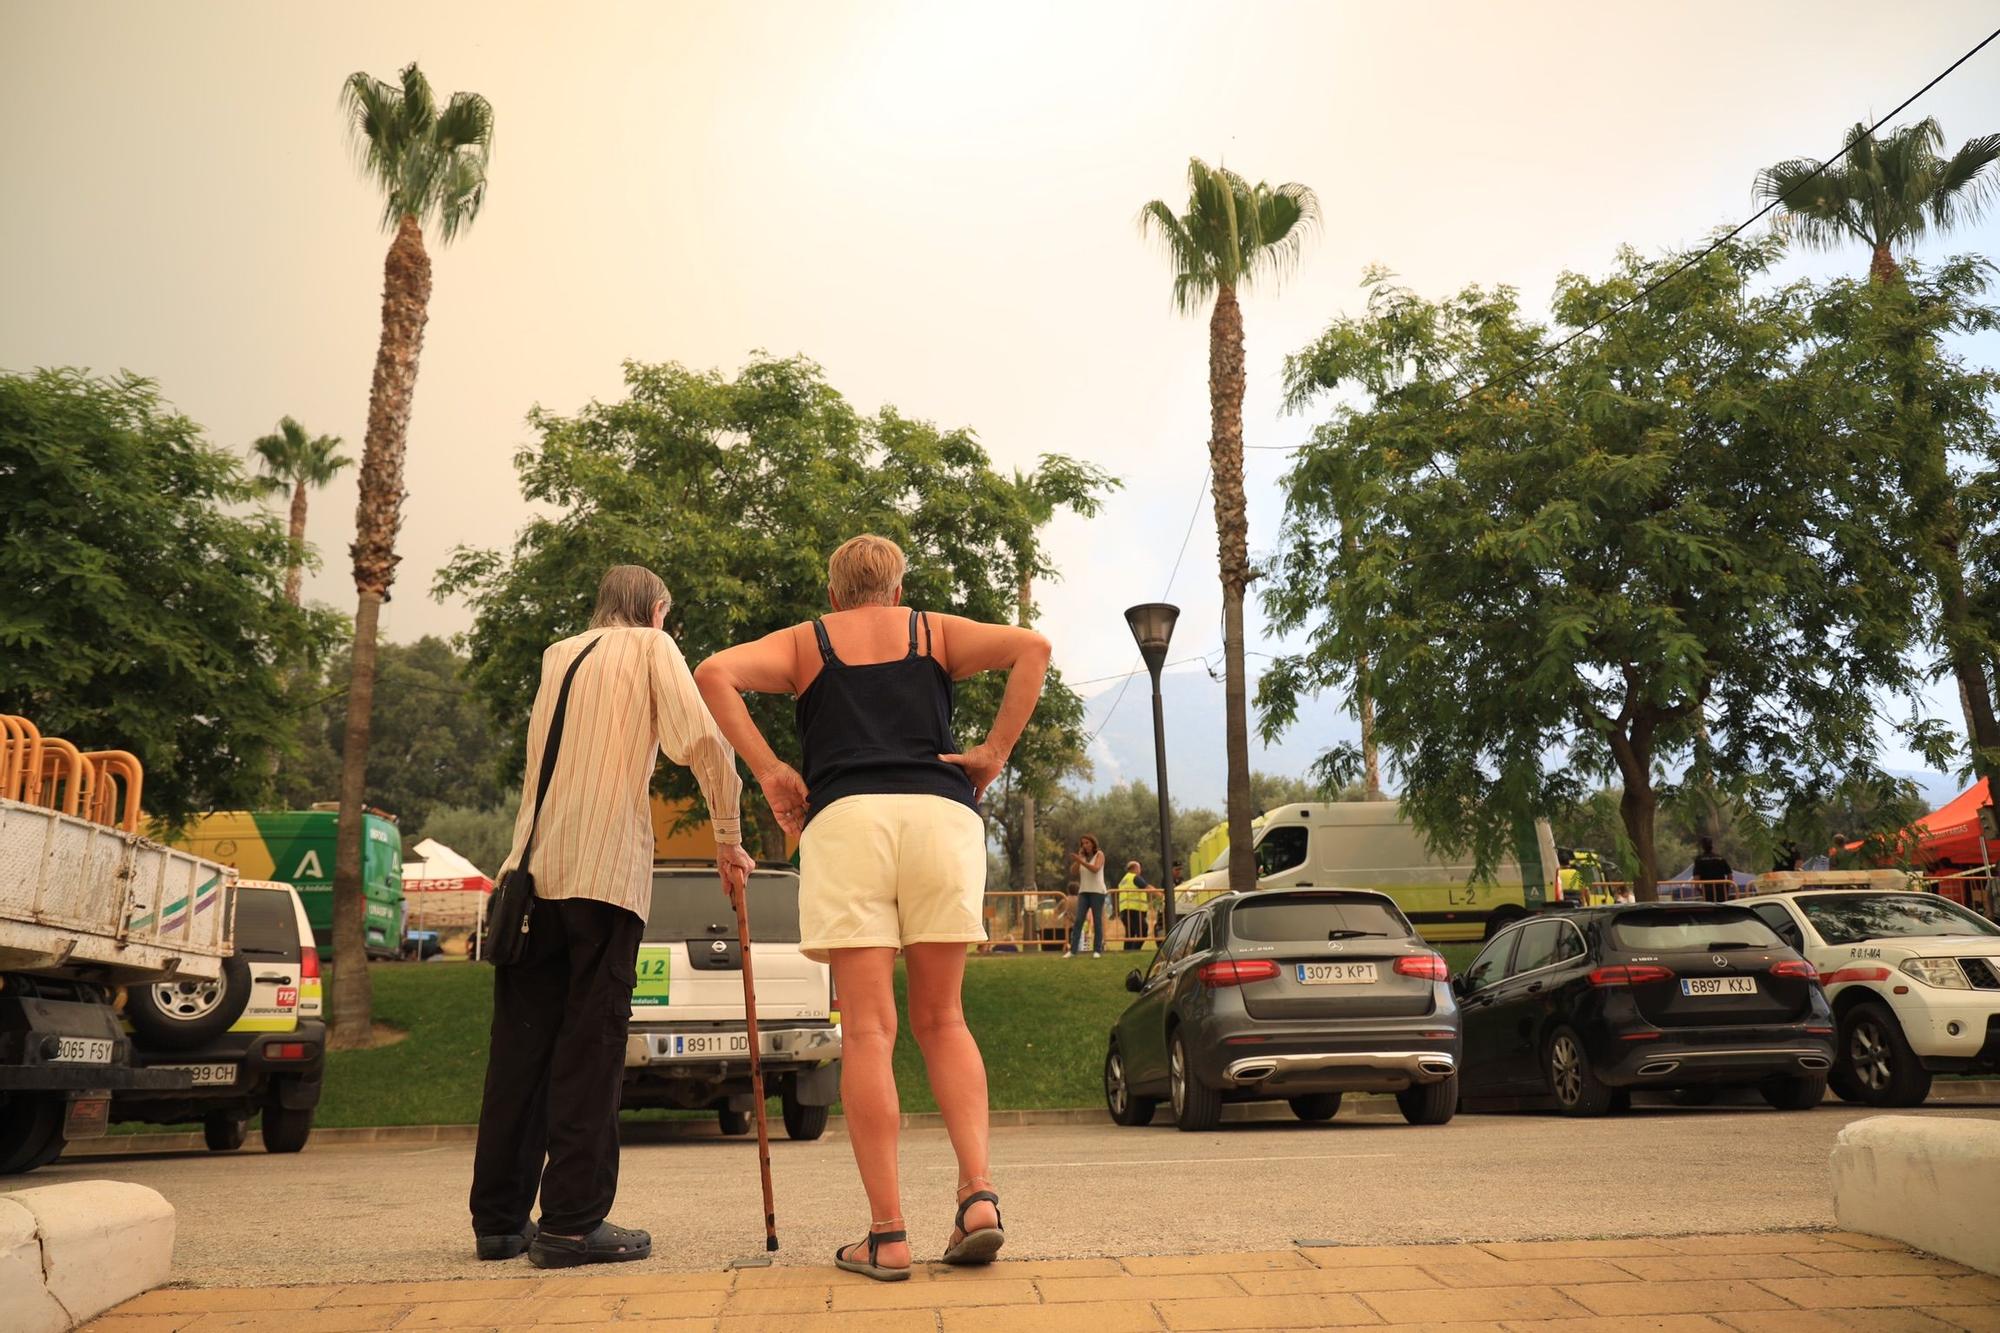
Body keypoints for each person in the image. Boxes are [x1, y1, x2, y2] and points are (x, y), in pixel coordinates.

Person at [693, 534, 1050, 1281]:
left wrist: (769, 769)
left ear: (834, 594)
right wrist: (992, 752)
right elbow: (1034, 647)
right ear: (896, 587)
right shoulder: (935, 631)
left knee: (868, 1027)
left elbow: (713, 672)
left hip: (846, 819)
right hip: (940, 817)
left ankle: (887, 1235)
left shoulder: (806, 642)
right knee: (944, 1018)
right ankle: (977, 1196)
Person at [469, 565, 750, 1269]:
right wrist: (727, 835)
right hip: (603, 872)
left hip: (527, 878)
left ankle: (500, 1220)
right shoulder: (654, 648)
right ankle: (572, 1221)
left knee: (521, 1051)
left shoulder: (557, 655)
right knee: (590, 1046)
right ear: (657, 611)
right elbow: (704, 742)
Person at [1067, 835, 1107, 957]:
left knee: (1097, 920)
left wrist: (1080, 862)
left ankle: (1097, 950)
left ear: (1093, 844)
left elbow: (1095, 869)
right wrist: (1078, 860)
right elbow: (1073, 872)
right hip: (1084, 891)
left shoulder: (1099, 854)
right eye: (1083, 843)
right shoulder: (1082, 857)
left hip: (1097, 891)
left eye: (1087, 843)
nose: (1085, 845)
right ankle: (1073, 951)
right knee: (1079, 920)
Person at [1115, 860, 1155, 951]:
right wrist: (1162, 895)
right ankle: (1135, 950)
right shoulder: (1135, 877)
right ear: (1135, 868)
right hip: (1134, 909)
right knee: (1143, 930)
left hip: (1124, 910)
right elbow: (1147, 887)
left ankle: (1127, 952)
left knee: (1130, 933)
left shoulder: (1123, 880)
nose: (1140, 870)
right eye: (1139, 868)